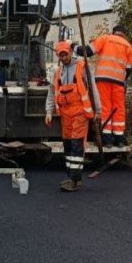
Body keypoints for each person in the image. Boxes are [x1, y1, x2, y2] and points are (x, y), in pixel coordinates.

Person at [45, 40, 100, 192]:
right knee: (68, 146)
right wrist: (49, 112)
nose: (64, 57)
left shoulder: (82, 67)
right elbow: (51, 93)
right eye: (61, 55)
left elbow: (93, 89)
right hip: (65, 115)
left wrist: (98, 110)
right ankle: (72, 177)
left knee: (76, 146)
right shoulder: (58, 72)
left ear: (70, 52)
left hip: (80, 113)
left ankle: (74, 180)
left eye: (65, 54)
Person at [76, 24, 132, 146]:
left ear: (114, 32)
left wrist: (73, 46)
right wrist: (122, 80)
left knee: (105, 108)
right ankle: (119, 139)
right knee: (118, 108)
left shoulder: (105, 38)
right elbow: (128, 69)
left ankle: (107, 139)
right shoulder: (128, 46)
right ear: (124, 34)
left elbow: (87, 52)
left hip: (103, 79)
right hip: (119, 82)